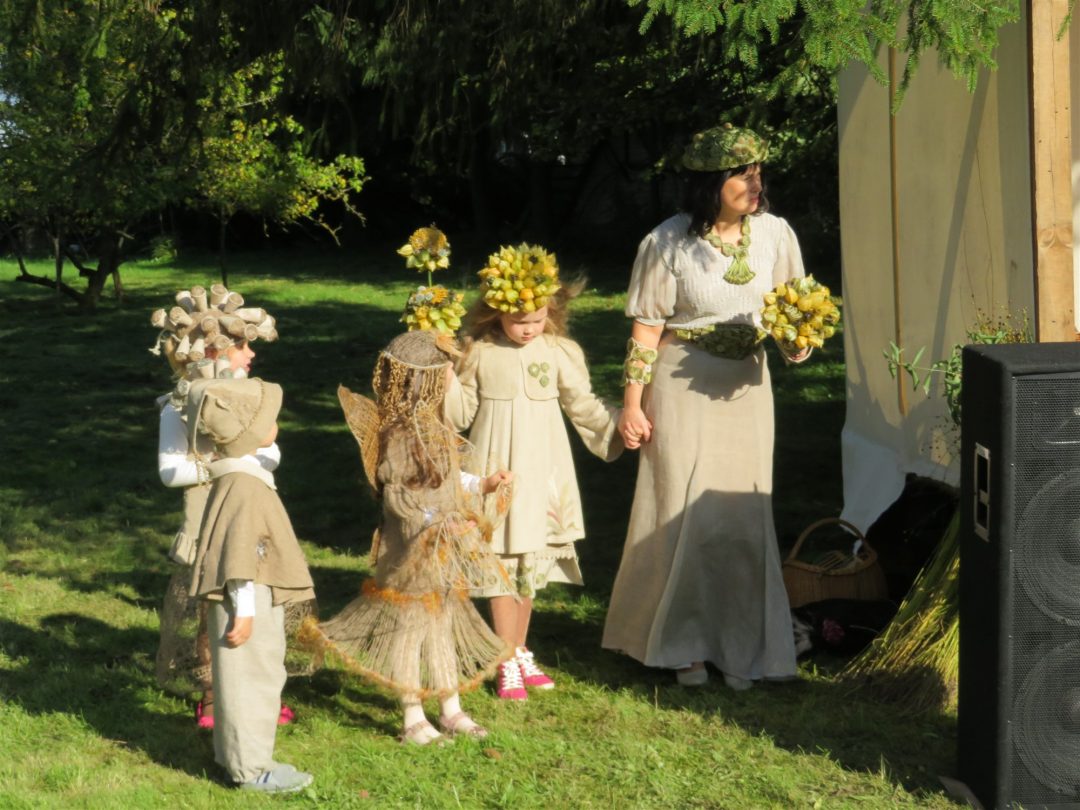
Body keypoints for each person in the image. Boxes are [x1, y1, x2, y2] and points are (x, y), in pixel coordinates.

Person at [601, 123, 810, 690]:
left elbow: (796, 308)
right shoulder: (667, 243)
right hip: (680, 388)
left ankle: (739, 646)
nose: (756, 183)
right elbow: (646, 330)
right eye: (743, 175)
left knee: (741, 517)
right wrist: (632, 406)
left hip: (748, 389)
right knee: (680, 510)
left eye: (759, 172)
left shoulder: (775, 234)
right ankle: (682, 646)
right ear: (709, 183)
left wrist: (798, 341)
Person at [303, 330, 514, 745]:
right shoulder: (399, 434)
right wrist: (437, 522)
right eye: (445, 369)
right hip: (411, 552)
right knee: (410, 630)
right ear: (424, 379)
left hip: (442, 553)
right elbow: (399, 498)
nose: (451, 373)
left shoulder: (436, 424)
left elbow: (446, 478)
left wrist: (483, 485)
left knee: (442, 626)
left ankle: (450, 708)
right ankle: (412, 713)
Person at [445, 244, 622, 700]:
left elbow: (582, 405)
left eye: (538, 320)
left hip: (542, 470)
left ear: (552, 311)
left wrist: (622, 425)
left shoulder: (559, 351)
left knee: (528, 566)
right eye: (519, 321)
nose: (528, 329)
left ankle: (519, 649)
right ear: (496, 312)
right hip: (496, 472)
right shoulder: (479, 352)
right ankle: (504, 658)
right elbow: (459, 414)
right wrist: (444, 372)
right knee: (501, 566)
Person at [150, 285, 299, 729]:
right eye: (241, 346)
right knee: (212, 612)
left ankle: (261, 689)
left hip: (253, 514)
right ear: (212, 351)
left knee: (261, 602)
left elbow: (273, 454)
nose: (250, 354)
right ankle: (214, 693)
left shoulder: (253, 398)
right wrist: (227, 462)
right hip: (208, 521)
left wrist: (246, 455)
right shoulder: (178, 408)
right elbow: (170, 472)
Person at [184, 376, 316, 792]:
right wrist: (244, 611)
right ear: (246, 433)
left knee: (253, 672)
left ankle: (240, 757)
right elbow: (239, 555)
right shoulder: (243, 485)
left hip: (251, 591)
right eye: (267, 421)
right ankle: (251, 769)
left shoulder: (239, 475)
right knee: (250, 675)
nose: (276, 426)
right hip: (247, 595)